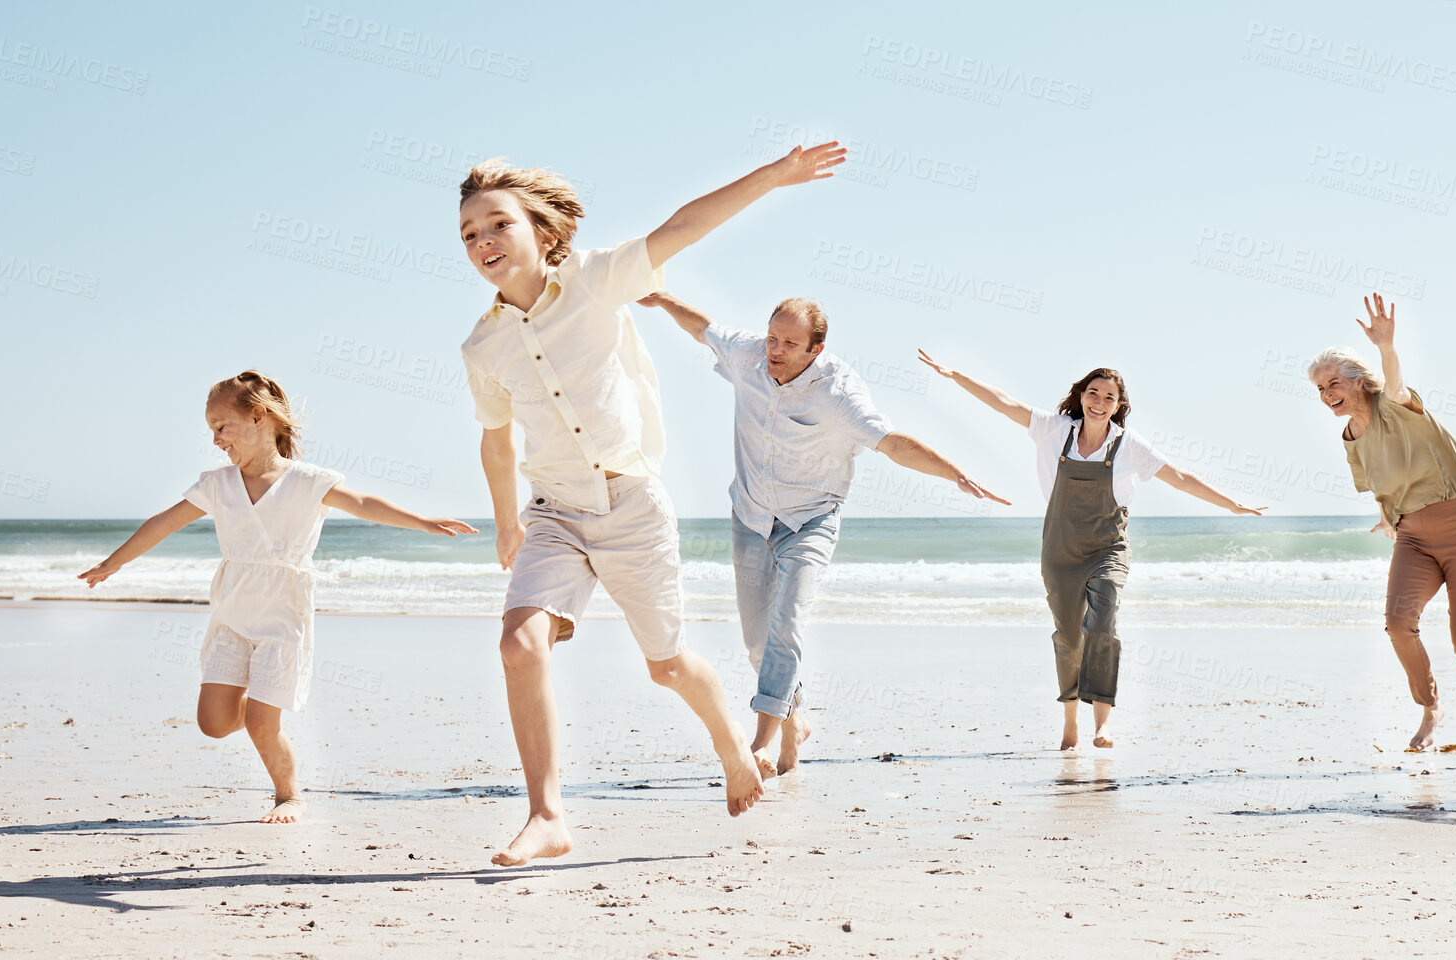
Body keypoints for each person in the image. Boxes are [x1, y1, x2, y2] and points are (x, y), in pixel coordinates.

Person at [456, 143, 846, 866]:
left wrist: (774, 174)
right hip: (553, 512)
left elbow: (683, 225)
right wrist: (507, 522)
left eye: (497, 224)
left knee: (665, 667)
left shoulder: (597, 279)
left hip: (631, 505)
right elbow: (495, 440)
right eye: (469, 232)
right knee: (518, 644)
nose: (482, 241)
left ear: (542, 233)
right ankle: (547, 816)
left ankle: (732, 743)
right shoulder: (482, 347)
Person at [76, 371, 476, 823]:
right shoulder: (216, 484)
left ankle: (289, 796)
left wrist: (423, 523)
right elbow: (163, 522)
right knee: (214, 723)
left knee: (264, 725)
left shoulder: (307, 481)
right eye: (210, 430)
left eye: (221, 426)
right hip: (232, 613)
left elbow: (363, 503)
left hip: (283, 617)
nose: (215, 439)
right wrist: (115, 561)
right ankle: (255, 708)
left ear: (258, 417)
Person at [638, 291, 1008, 777]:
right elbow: (702, 327)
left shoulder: (838, 392)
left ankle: (762, 744)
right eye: (773, 337)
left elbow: (892, 443)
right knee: (755, 643)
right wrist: (662, 297)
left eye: (791, 343)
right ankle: (794, 724)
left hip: (811, 518)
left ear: (816, 349)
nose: (776, 350)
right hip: (750, 515)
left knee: (786, 627)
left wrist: (954, 472)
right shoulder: (748, 353)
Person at [917, 352, 1265, 749]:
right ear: (1081, 396)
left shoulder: (1128, 445)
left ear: (1119, 406)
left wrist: (1232, 504)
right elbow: (1004, 403)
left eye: (1109, 397)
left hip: (1107, 547)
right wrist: (955, 374)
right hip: (1060, 547)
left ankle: (1103, 722)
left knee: (1102, 624)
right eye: (1093, 393)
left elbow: (1181, 478)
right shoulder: (1053, 430)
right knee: (1068, 636)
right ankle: (1070, 721)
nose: (1099, 402)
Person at [1308, 294, 1456, 767]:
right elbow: (1381, 482)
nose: (1327, 393)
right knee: (1398, 625)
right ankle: (1430, 707)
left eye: (1334, 382)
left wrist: (1386, 346)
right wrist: (1388, 513)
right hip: (1413, 536)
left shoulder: (1395, 405)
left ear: (1359, 381)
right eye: (1319, 388)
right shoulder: (1351, 437)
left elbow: (1393, 382)